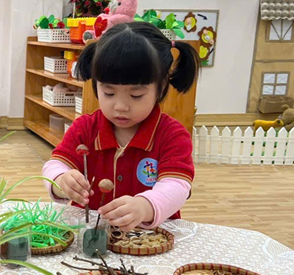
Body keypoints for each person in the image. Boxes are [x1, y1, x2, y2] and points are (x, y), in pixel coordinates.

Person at [43, 22, 200, 231]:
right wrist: (61, 181)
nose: (120, 106)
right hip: (90, 235)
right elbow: (55, 165)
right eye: (109, 93)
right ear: (96, 85)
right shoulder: (85, 128)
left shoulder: (171, 135)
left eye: (136, 95)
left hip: (149, 239)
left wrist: (145, 206)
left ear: (161, 87)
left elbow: (177, 186)